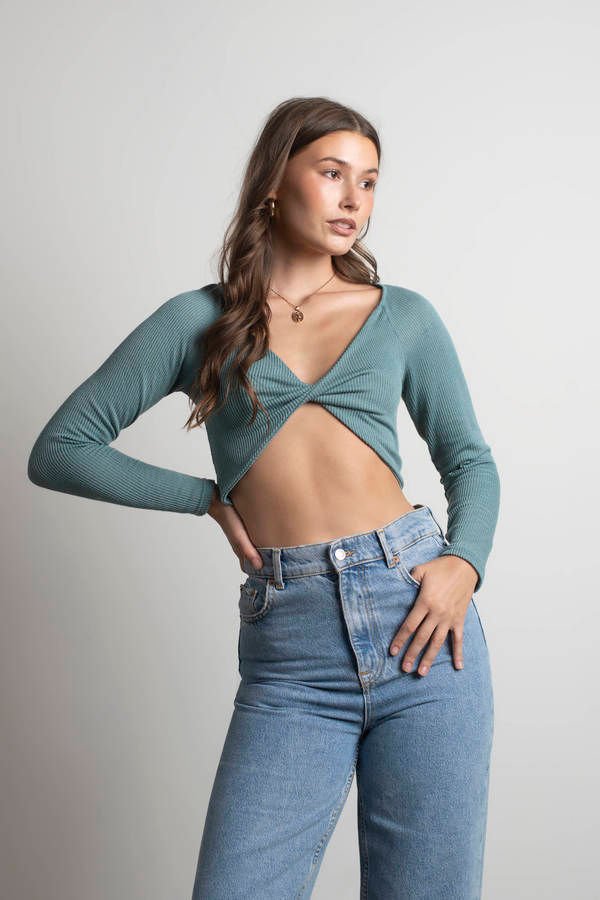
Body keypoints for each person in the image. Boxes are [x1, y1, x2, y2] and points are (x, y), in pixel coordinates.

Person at [27, 96, 500, 899]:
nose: (354, 199)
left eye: (369, 182)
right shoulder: (200, 321)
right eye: (332, 173)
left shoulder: (403, 317)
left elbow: (470, 461)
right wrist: (205, 498)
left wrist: (465, 564)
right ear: (276, 182)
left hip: (420, 621)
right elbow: (61, 448)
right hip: (293, 645)